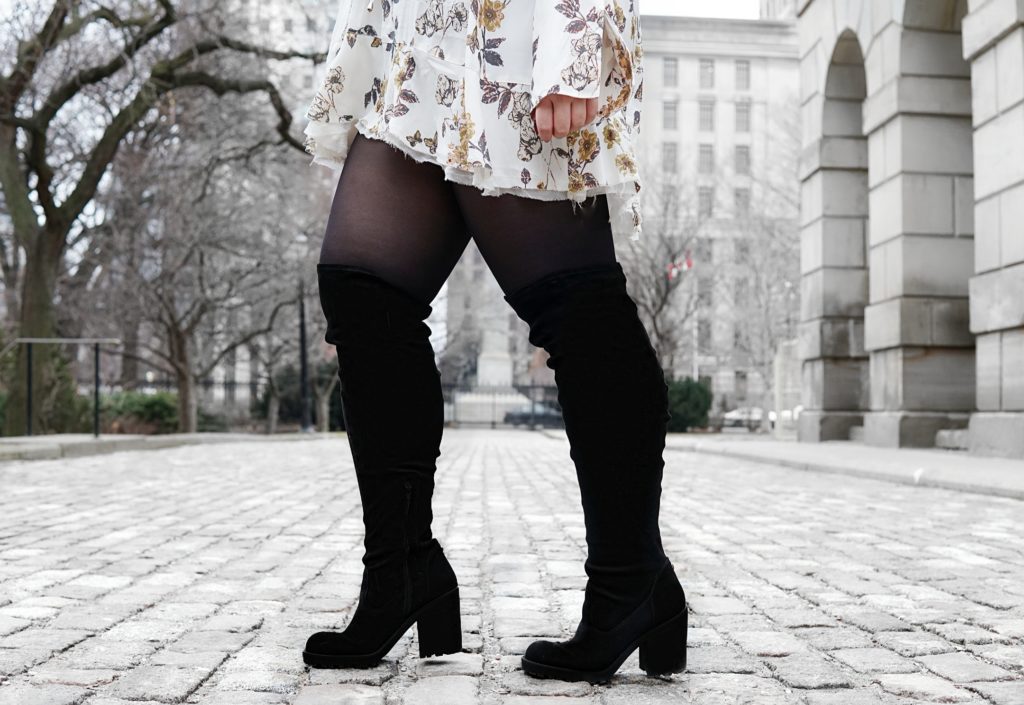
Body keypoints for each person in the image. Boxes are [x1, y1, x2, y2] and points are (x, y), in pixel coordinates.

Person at [300, 0, 687, 684]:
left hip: (516, 28)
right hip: (421, 35)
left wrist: (572, 47)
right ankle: (401, 571)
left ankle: (632, 580)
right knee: (363, 293)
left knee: (577, 308)